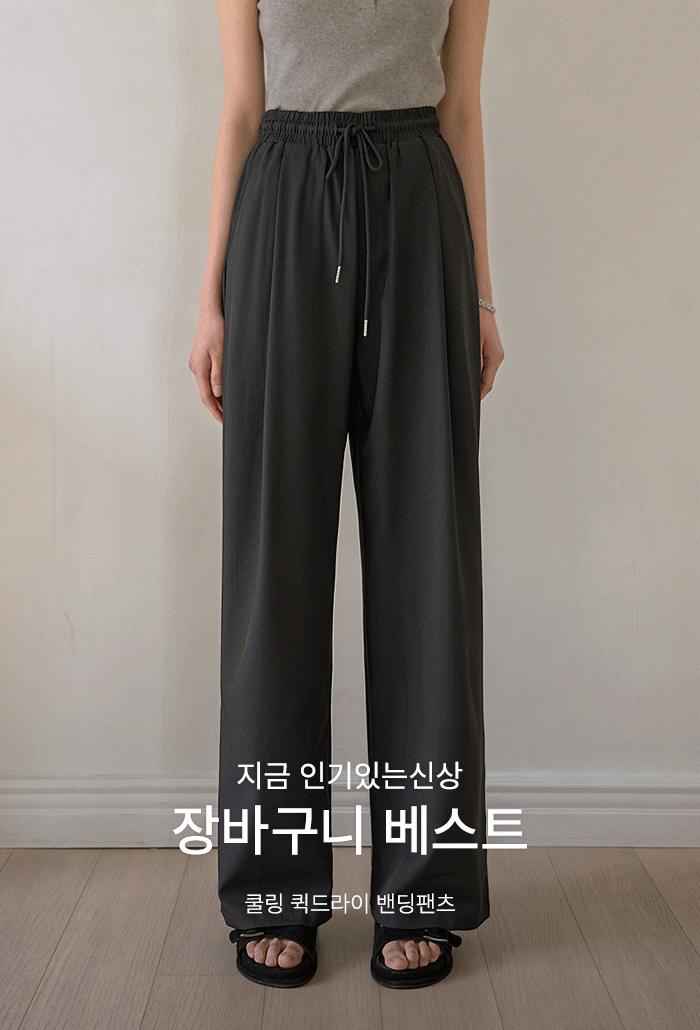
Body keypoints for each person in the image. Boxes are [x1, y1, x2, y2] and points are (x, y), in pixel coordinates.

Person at [189, 0, 504, 989]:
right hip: (283, 208)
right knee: (273, 576)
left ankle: (422, 890)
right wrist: (211, 299)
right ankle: (272, 888)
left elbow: (461, 109)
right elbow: (241, 109)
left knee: (428, 573)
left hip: (418, 208)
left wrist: (480, 294)